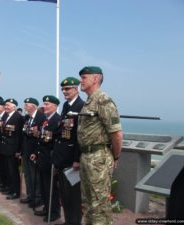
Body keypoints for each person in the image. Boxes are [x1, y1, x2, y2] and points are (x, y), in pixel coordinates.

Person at [77, 66, 123, 225]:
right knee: (88, 202)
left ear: (96, 79)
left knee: (99, 205)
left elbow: (116, 134)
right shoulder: (89, 102)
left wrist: (115, 156)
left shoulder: (103, 100)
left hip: (99, 159)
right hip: (86, 156)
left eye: (84, 77)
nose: (80, 81)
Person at [51, 77, 84, 225]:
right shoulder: (65, 105)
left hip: (72, 159)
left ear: (76, 89)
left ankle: (74, 222)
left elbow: (80, 136)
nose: (64, 91)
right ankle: (68, 221)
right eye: (63, 89)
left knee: (74, 196)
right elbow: (62, 130)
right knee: (64, 194)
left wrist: (77, 159)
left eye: (68, 88)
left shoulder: (81, 106)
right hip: (62, 157)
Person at [30, 95, 61, 222]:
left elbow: (56, 142)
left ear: (55, 106)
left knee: (51, 187)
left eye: (47, 104)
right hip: (42, 157)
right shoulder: (46, 120)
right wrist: (36, 153)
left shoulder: (57, 120)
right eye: (44, 104)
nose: (44, 106)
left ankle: (54, 212)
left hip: (50, 159)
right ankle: (46, 207)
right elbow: (41, 139)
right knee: (43, 186)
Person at [20, 97, 46, 208]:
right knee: (27, 175)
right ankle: (30, 196)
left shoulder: (41, 117)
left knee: (35, 176)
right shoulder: (27, 117)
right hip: (26, 150)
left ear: (34, 106)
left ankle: (37, 198)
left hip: (35, 151)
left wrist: (36, 151)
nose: (25, 106)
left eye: (27, 104)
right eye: (25, 104)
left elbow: (41, 137)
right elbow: (24, 134)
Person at [0, 98, 24, 200]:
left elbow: (19, 135)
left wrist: (18, 150)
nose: (6, 107)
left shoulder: (18, 117)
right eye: (5, 105)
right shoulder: (7, 116)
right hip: (6, 146)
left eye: (8, 105)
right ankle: (10, 188)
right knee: (8, 169)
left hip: (13, 148)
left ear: (14, 107)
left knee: (13, 171)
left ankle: (16, 191)